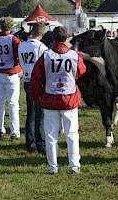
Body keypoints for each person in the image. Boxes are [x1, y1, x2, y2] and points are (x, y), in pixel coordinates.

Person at [30, 26, 86, 174]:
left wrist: (37, 96)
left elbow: (36, 78)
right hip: (69, 99)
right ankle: (74, 165)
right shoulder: (74, 55)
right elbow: (81, 71)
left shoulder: (46, 55)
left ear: (53, 38)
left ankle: (52, 166)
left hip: (50, 99)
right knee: (72, 133)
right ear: (66, 38)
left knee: (51, 135)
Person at [0, 17, 21, 140]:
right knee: (13, 103)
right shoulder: (14, 39)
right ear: (11, 27)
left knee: (0, 103)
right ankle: (14, 131)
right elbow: (18, 56)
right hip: (11, 73)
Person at [18, 23, 48, 154]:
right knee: (40, 114)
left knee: (30, 112)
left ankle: (30, 143)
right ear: (41, 34)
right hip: (38, 82)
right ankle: (40, 142)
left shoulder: (21, 45)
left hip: (26, 79)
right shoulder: (42, 47)